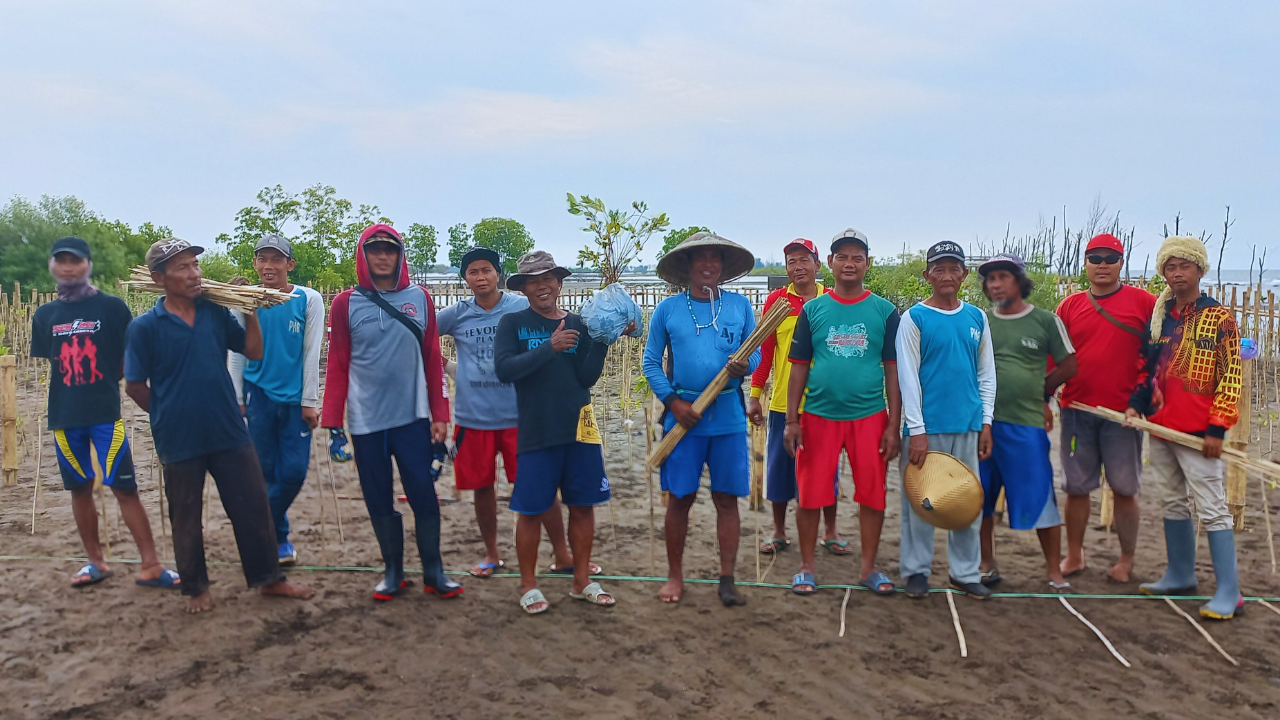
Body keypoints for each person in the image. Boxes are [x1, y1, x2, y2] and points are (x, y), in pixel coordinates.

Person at [124, 238, 313, 613]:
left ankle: (269, 579)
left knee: (253, 505)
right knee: (185, 513)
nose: (194, 273)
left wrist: (251, 310)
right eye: (183, 267)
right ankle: (196, 588)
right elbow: (134, 385)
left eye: (195, 265)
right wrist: (166, 415)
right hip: (178, 436)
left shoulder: (212, 312)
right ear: (158, 278)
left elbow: (253, 351)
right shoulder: (145, 327)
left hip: (228, 429)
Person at [322, 224, 460, 602]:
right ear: (363, 256)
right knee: (377, 496)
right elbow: (338, 364)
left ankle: (434, 571)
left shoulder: (421, 298)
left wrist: (440, 412)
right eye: (375, 250)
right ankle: (393, 572)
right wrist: (332, 423)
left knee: (423, 494)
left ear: (400, 256)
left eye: (390, 250)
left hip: (413, 416)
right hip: (366, 421)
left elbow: (432, 359)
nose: (383, 256)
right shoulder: (344, 304)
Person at [31, 237, 178, 590]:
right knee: (79, 489)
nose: (68, 266)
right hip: (65, 418)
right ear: (52, 265)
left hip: (105, 415)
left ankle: (151, 565)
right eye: (61, 260)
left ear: (88, 264)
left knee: (125, 489)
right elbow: (50, 363)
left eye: (76, 260)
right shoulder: (44, 315)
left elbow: (128, 360)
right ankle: (95, 561)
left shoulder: (112, 309)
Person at [438, 247, 590, 579]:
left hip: (522, 416)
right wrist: (449, 368)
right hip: (472, 417)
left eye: (487, 270)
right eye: (473, 272)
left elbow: (561, 328)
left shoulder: (521, 307)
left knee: (539, 488)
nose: (481, 277)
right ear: (465, 278)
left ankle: (563, 553)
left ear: (500, 275)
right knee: (482, 487)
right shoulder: (455, 314)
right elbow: (420, 338)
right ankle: (492, 553)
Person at [494, 251, 623, 615]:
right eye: (533, 280)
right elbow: (505, 369)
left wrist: (601, 340)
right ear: (523, 287)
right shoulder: (513, 324)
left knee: (583, 507)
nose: (542, 286)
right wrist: (549, 348)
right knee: (531, 510)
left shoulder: (580, 324)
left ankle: (581, 580)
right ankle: (529, 585)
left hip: (580, 430)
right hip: (536, 431)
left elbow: (585, 378)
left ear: (559, 282)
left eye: (548, 278)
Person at [1130, 236, 1244, 619]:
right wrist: (1135, 406)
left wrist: (1217, 428)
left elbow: (1231, 377)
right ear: (1163, 272)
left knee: (1212, 508)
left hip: (1198, 432)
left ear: (1200, 270)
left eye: (1185, 266)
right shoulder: (1160, 317)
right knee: (1172, 501)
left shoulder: (1219, 317)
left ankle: (1230, 592)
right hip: (1161, 427)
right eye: (1170, 267)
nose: (1177, 274)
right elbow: (1148, 370)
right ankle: (1180, 574)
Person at [643, 232, 759, 607]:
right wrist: (674, 403)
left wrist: (744, 366)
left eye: (715, 258)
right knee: (680, 499)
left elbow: (755, 358)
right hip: (684, 422)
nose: (708, 264)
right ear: (689, 266)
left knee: (727, 500)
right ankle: (675, 576)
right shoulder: (668, 310)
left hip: (727, 416)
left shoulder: (740, 307)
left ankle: (727, 579)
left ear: (723, 267)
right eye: (700, 258)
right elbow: (650, 363)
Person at [783, 230, 901, 596]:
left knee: (872, 493)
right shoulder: (814, 310)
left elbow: (893, 369)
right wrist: (791, 420)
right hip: (818, 415)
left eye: (857, 257)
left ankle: (868, 568)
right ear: (830, 263)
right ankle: (806, 567)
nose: (849, 263)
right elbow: (799, 366)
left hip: (870, 416)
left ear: (867, 263)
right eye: (842, 257)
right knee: (811, 493)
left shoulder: (885, 311)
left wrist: (893, 425)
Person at [896, 241, 995, 600]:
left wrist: (986, 421)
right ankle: (917, 570)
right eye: (939, 269)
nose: (947, 275)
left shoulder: (976, 317)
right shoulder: (914, 318)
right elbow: (907, 377)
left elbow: (986, 374)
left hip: (967, 423)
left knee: (965, 498)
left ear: (965, 275)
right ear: (927, 275)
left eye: (954, 268)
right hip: (926, 427)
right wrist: (917, 430)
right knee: (921, 500)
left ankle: (966, 572)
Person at [1056, 233, 1156, 582]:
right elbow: (1055, 356)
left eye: (1109, 258)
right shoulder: (1069, 306)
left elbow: (1158, 355)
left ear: (1121, 263)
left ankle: (1126, 559)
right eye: (1095, 258)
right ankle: (1074, 555)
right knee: (1076, 487)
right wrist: (1047, 393)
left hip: (1122, 416)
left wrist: (1142, 401)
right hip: (1076, 410)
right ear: (1085, 263)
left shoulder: (1145, 303)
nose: (1102, 264)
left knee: (1125, 488)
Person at [976, 254, 1076, 590]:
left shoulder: (1045, 321)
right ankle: (986, 563)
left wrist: (1042, 393)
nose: (995, 284)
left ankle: (1053, 570)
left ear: (1019, 281)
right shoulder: (979, 322)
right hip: (983, 424)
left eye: (1003, 276)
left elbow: (1068, 365)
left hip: (1026, 424)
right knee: (980, 497)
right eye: (990, 279)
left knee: (1039, 494)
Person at [747, 238, 851, 557]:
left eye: (804, 260)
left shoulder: (832, 299)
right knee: (779, 470)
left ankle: (830, 532)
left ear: (819, 265)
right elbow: (765, 353)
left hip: (824, 405)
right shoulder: (777, 302)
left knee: (826, 469)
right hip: (782, 404)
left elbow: (844, 352)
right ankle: (779, 532)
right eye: (791, 262)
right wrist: (754, 395)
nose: (798, 267)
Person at [226, 235, 324, 567]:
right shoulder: (246, 298)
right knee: (265, 470)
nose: (269, 266)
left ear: (289, 265)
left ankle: (258, 524)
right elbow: (237, 352)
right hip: (259, 394)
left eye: (276, 260)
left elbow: (312, 353)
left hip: (295, 400)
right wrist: (238, 397)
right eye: (262, 259)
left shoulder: (307, 299)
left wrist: (309, 400)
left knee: (294, 472)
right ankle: (278, 539)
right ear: (255, 263)